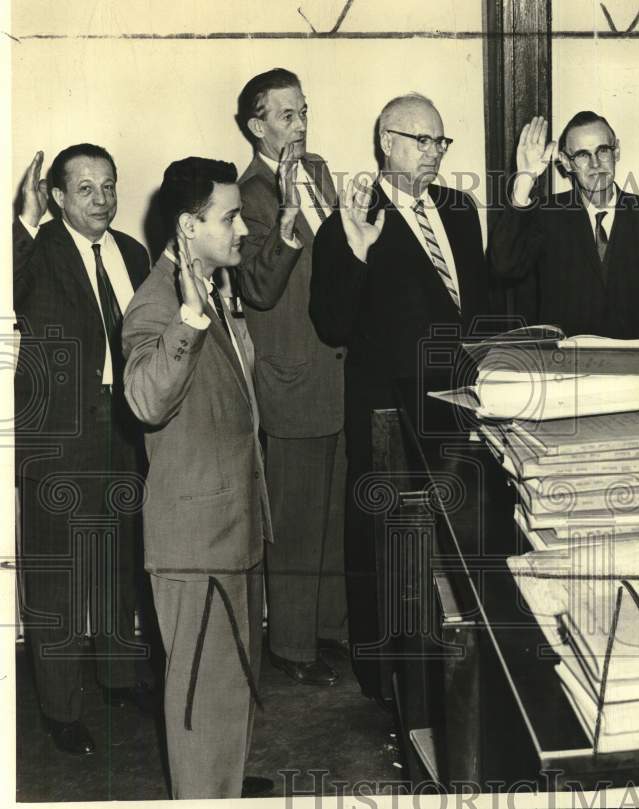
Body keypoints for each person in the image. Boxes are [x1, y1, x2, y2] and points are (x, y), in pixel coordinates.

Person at [310, 92, 489, 699]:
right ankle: (383, 676)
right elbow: (332, 322)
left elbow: (478, 305)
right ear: (387, 142)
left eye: (441, 141)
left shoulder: (461, 209)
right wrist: (355, 251)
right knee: (384, 540)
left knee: (452, 540)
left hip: (455, 402)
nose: (435, 152)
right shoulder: (355, 214)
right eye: (422, 140)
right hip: (387, 412)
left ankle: (445, 672)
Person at [122, 157, 274, 799]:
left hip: (231, 527)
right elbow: (146, 401)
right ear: (189, 225)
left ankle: (225, 788)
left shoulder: (213, 285)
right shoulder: (159, 305)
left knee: (231, 687)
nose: (243, 228)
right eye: (231, 216)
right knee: (197, 704)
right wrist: (187, 320)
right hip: (195, 542)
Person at [13, 146, 150, 756]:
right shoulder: (37, 251)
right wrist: (24, 220)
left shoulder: (134, 254)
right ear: (59, 196)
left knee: (122, 556)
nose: (101, 200)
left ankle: (120, 676)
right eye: (86, 189)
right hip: (60, 433)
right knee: (57, 574)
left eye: (109, 187)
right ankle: (61, 709)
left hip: (126, 424)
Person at [235, 67, 346, 686]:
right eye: (286, 116)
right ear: (257, 125)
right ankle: (293, 650)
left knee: (331, 516)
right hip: (292, 377)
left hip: (336, 369)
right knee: (298, 524)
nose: (300, 126)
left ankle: (326, 634)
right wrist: (287, 223)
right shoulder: (248, 192)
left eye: (304, 112)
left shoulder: (322, 171)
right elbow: (255, 284)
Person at [489, 113, 639, 377]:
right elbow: (503, 266)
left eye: (603, 150)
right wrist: (525, 180)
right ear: (566, 163)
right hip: (565, 375)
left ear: (617, 151)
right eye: (582, 155)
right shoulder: (546, 214)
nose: (595, 164)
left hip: (637, 376)